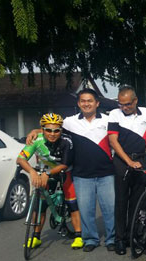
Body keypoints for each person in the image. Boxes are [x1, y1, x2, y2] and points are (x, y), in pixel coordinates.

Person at [25, 89, 116, 252]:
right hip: (81, 174)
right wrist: (35, 131)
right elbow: (53, 129)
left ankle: (112, 239)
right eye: (83, 101)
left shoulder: (109, 120)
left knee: (109, 209)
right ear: (79, 103)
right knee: (86, 210)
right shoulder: (70, 122)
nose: (86, 104)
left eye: (90, 101)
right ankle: (90, 239)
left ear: (97, 103)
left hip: (106, 172)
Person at [18, 113, 83, 249]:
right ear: (42, 130)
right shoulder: (37, 139)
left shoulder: (66, 141)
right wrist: (32, 171)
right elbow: (21, 159)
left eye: (56, 130)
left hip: (64, 171)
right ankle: (36, 237)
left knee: (72, 203)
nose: (52, 134)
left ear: (61, 130)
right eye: (48, 130)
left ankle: (78, 235)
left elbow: (64, 165)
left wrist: (46, 173)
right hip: (44, 172)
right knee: (40, 205)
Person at [108, 85, 146, 255]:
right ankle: (120, 239)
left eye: (128, 104)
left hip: (141, 159)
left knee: (137, 202)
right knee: (121, 202)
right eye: (121, 104)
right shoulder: (115, 114)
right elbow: (113, 141)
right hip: (123, 161)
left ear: (135, 101)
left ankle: (132, 236)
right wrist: (129, 161)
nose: (124, 107)